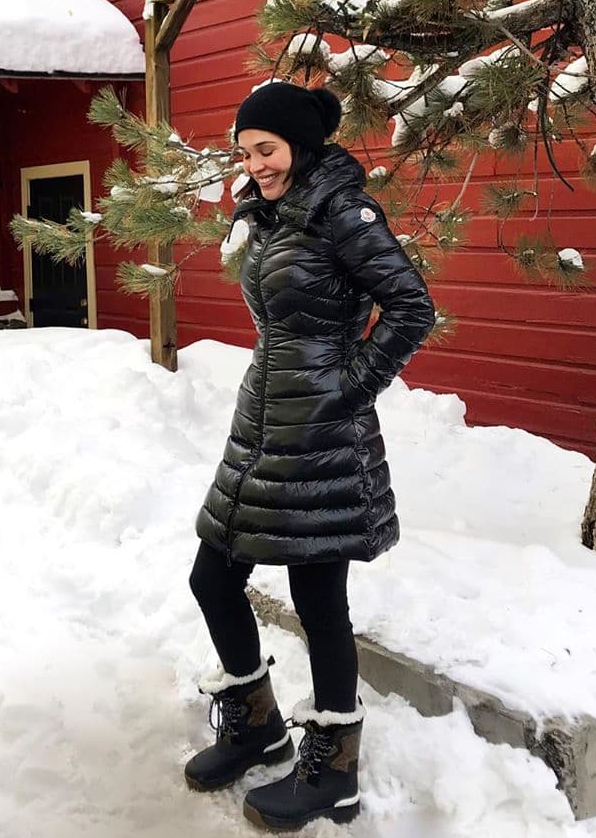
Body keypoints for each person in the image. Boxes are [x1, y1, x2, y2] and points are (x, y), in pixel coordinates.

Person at [184, 80, 436, 830]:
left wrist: (348, 387)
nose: (255, 164)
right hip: (264, 422)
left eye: (266, 149)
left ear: (298, 143)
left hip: (321, 432)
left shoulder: (342, 212)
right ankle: (257, 721)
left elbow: (413, 305)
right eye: (246, 153)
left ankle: (334, 768)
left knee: (318, 600)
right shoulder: (276, 214)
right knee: (212, 576)